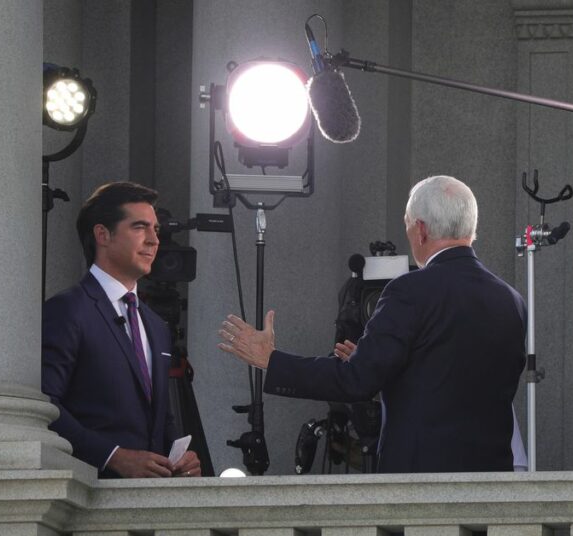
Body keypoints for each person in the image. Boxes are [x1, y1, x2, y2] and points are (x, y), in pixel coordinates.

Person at [218, 175, 526, 473]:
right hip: (491, 480)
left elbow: (355, 381)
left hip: (422, 484)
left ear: (420, 230)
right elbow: (454, 379)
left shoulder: (410, 291)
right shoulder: (510, 301)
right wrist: (383, 367)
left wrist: (272, 361)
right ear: (471, 229)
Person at [42, 181, 200, 478]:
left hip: (149, 504)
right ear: (102, 235)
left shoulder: (155, 324)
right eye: (140, 227)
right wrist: (112, 456)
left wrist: (178, 458)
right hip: (90, 497)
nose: (154, 240)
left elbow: (160, 416)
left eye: (156, 229)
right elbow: (45, 405)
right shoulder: (68, 310)